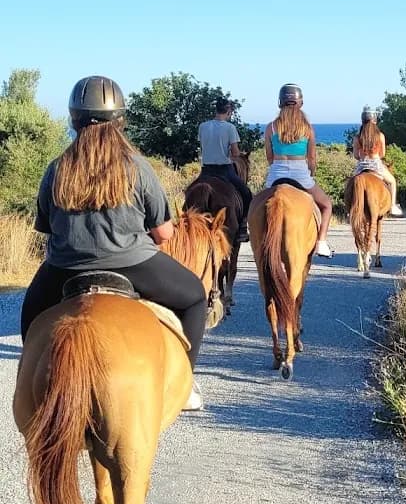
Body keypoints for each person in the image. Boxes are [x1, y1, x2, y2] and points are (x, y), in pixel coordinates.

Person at [20, 76, 209, 408]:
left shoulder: (56, 169)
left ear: (74, 120)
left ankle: (33, 386)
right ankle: (185, 386)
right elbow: (164, 233)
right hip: (133, 263)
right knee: (195, 297)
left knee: (31, 317)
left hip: (65, 268)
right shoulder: (137, 167)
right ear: (120, 120)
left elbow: (46, 228)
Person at [264, 83, 335, 257]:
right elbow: (311, 158)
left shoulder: (271, 127)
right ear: (300, 103)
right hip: (300, 174)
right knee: (326, 205)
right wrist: (311, 173)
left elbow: (269, 157)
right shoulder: (307, 128)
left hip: (276, 175)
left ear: (280, 102)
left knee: (255, 206)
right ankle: (322, 242)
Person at [198, 98, 252, 241]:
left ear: (216, 110)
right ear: (228, 112)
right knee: (246, 193)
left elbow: (204, 147)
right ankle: (242, 228)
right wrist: (236, 154)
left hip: (206, 170)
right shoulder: (230, 128)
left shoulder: (203, 126)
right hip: (224, 170)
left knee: (189, 192)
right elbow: (235, 153)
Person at [352, 106, 403, 216]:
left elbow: (356, 155)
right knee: (392, 181)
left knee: (350, 184)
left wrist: (363, 157)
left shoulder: (357, 137)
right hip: (376, 164)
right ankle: (392, 206)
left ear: (362, 120)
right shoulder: (380, 136)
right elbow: (382, 154)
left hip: (361, 166)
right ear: (375, 120)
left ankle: (350, 208)